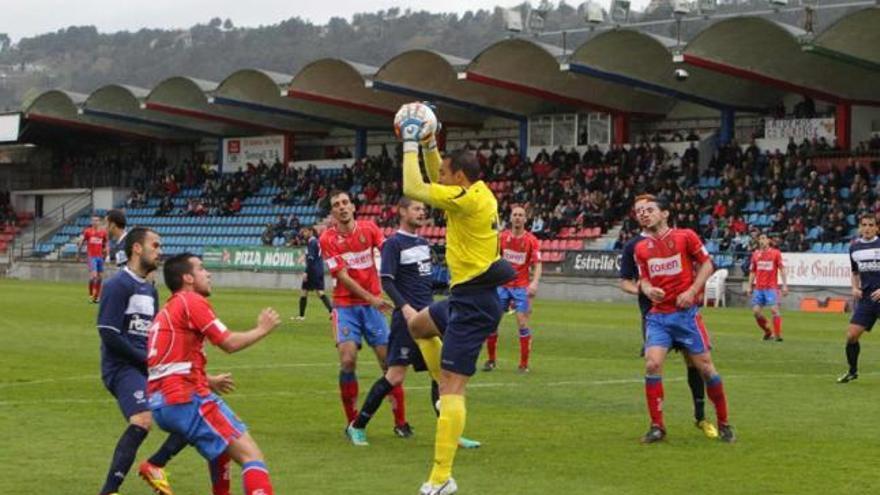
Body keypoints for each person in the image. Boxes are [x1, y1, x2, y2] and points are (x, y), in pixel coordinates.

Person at [396, 102, 515, 495]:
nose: (440, 177)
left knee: (453, 388)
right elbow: (433, 176)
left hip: (476, 304)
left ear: (459, 177)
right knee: (417, 325)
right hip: (465, 298)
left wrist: (412, 144)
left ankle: (440, 478)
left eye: (446, 173)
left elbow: (414, 187)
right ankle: (442, 379)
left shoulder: (468, 201)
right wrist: (431, 142)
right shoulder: (473, 192)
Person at [147, 253, 281, 495]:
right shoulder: (191, 301)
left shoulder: (168, 309)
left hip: (161, 403)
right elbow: (228, 342)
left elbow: (164, 364)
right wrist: (263, 329)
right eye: (201, 268)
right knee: (252, 456)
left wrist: (208, 380)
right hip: (185, 398)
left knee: (221, 451)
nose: (208, 273)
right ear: (187, 278)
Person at [95, 227, 201, 495]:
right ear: (137, 249)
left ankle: (155, 464)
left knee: (196, 412)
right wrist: (147, 360)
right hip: (122, 367)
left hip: (148, 367)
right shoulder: (118, 285)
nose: (160, 250)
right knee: (142, 420)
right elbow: (108, 333)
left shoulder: (150, 290)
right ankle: (109, 491)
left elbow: (152, 333)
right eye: (155, 245)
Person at [632, 195, 735, 444]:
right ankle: (657, 426)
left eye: (649, 210)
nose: (644, 214)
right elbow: (643, 278)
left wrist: (692, 291)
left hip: (685, 316)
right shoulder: (640, 248)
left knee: (706, 369)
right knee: (652, 365)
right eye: (639, 212)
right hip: (658, 317)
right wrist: (647, 290)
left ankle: (724, 423)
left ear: (665, 213)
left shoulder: (685, 236)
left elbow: (707, 264)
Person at [319, 190, 408, 442]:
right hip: (346, 306)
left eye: (345, 202)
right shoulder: (327, 239)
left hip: (372, 308)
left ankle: (400, 421)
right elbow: (343, 277)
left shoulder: (369, 229)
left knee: (388, 365)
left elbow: (388, 251)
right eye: (336, 205)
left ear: (353, 206)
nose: (342, 207)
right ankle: (352, 422)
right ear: (333, 212)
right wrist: (373, 298)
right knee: (347, 360)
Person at [483, 205, 542, 373]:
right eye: (515, 214)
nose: (517, 217)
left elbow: (538, 264)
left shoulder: (531, 240)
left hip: (521, 287)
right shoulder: (502, 238)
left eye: (520, 215)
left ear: (525, 219)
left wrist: (535, 283)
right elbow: (492, 259)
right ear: (510, 218)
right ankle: (491, 361)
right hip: (502, 286)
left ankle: (523, 365)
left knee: (522, 323)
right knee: (493, 322)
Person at [838, 214, 880, 383]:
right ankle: (852, 371)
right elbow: (855, 272)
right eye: (864, 225)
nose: (868, 228)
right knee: (852, 336)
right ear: (859, 227)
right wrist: (854, 287)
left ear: (877, 227)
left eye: (871, 224)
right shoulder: (854, 248)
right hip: (866, 299)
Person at [746, 233, 788, 341]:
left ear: (768, 240)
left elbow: (782, 269)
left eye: (764, 238)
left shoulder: (775, 253)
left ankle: (778, 336)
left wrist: (784, 285)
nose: (761, 240)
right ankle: (768, 332)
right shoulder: (755, 254)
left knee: (774, 310)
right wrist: (749, 286)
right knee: (756, 312)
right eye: (760, 238)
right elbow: (752, 271)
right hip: (759, 288)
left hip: (771, 288)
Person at [292, 226, 333, 320]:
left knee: (312, 292)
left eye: (305, 231)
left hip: (312, 270)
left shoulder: (312, 242)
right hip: (318, 269)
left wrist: (306, 272)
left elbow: (311, 258)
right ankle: (302, 316)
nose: (303, 234)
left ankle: (332, 311)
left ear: (311, 232)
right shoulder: (316, 241)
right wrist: (304, 256)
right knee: (309, 291)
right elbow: (311, 255)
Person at [78, 214, 109, 303]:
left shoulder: (103, 232)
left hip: (100, 257)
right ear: (91, 222)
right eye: (93, 220)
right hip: (91, 257)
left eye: (97, 220)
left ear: (99, 222)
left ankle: (97, 296)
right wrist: (78, 254)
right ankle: (91, 295)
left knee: (100, 278)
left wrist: (106, 252)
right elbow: (82, 242)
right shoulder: (87, 231)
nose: (95, 222)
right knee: (94, 277)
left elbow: (105, 244)